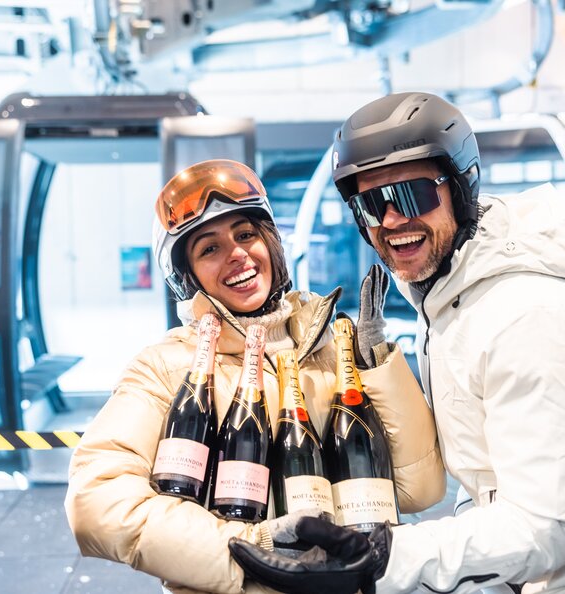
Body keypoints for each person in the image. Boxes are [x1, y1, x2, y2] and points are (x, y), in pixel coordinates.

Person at [228, 93, 565, 593]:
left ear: (463, 187)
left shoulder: (531, 317)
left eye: (412, 196)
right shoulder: (450, 299)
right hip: (527, 575)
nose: (389, 221)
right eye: (370, 204)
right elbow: (483, 475)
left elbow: (547, 526)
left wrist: (385, 557)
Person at [64, 158, 445, 594]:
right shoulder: (167, 368)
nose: (237, 254)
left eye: (245, 234)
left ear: (271, 244)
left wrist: (376, 362)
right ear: (187, 277)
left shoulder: (330, 350)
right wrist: (251, 551)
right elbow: (96, 502)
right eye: (209, 248)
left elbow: (421, 488)